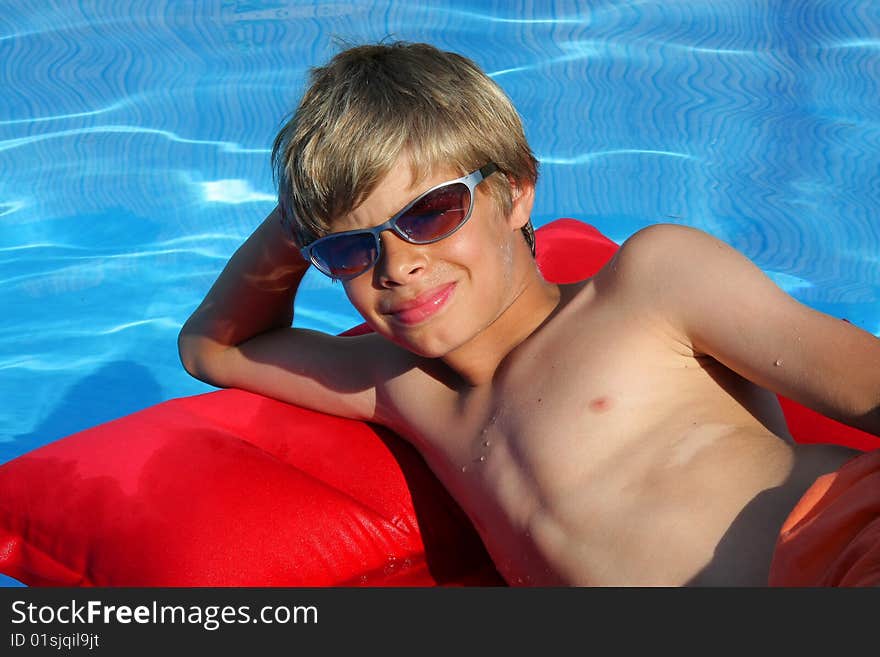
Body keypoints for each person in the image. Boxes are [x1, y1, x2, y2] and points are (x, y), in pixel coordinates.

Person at [178, 41, 880, 586]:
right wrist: (304, 216)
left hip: (840, 551)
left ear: (515, 194)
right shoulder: (397, 385)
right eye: (350, 249)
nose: (397, 265)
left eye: (430, 212)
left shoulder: (647, 287)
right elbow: (213, 347)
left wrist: (343, 205)